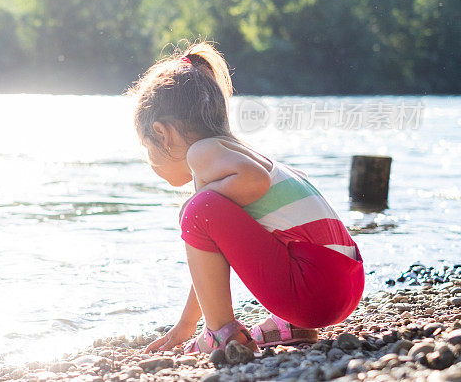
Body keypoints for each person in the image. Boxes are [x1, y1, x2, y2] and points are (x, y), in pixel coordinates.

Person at [125, 40, 364, 354]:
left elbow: (256, 181)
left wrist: (196, 204)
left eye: (146, 148)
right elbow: (208, 263)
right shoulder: (237, 155)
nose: (150, 158)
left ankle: (223, 334)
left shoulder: (203, 152)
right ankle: (289, 324)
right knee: (202, 212)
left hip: (315, 291)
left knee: (198, 211)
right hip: (345, 284)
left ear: (162, 133)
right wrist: (186, 324)